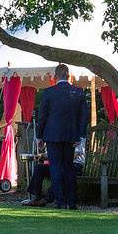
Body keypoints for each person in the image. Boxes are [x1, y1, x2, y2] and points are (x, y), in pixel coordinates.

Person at [37, 64, 89, 209]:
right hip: (71, 136)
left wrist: (39, 136)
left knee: (56, 168)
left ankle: (60, 201)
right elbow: (83, 117)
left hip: (52, 135)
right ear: (69, 76)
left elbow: (42, 116)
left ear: (55, 77)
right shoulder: (78, 92)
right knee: (69, 168)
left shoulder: (48, 93)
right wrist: (80, 136)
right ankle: (71, 201)